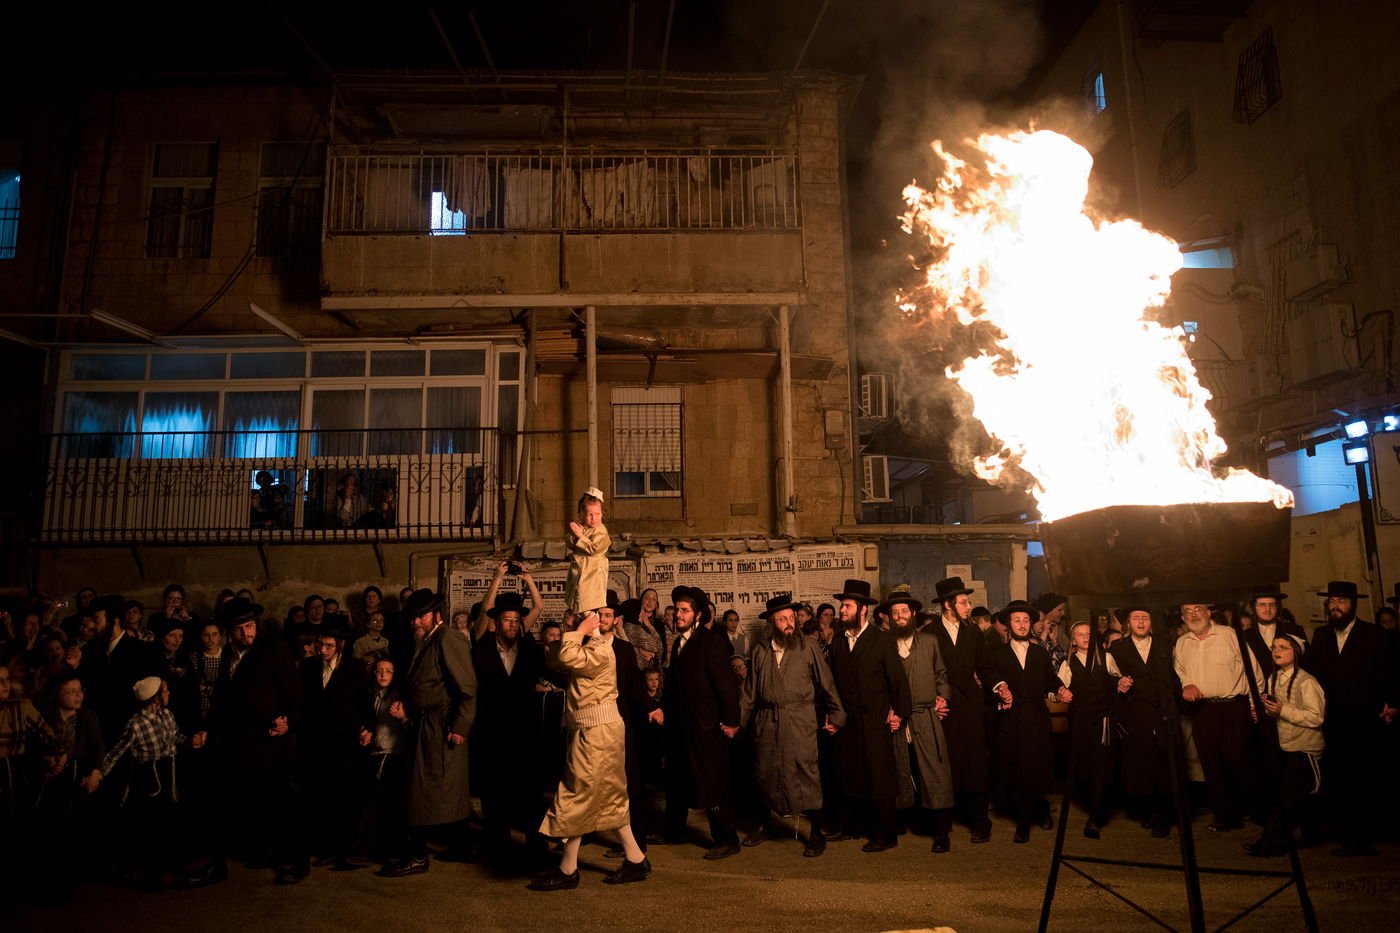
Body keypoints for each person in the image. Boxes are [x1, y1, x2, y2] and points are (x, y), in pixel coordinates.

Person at [530, 609, 651, 890]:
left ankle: (568, 869)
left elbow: (565, 657)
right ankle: (635, 859)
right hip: (593, 730)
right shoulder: (588, 645)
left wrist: (579, 629)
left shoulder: (600, 649)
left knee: (577, 792)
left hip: (597, 732)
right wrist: (571, 627)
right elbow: (553, 660)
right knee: (606, 795)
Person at [187, 597, 302, 888]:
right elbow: (222, 700)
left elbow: (295, 694)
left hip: (269, 742)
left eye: (249, 627)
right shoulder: (227, 654)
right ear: (229, 631)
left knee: (279, 802)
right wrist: (206, 730)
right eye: (238, 629)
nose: (245, 634)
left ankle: (295, 862)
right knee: (241, 801)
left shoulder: (274, 649)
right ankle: (239, 858)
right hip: (236, 743)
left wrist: (287, 720)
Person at [379, 589, 477, 878]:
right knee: (439, 791)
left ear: (436, 614)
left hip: (442, 725)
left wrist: (460, 726)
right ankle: (465, 845)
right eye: (413, 618)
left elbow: (468, 688)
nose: (415, 623)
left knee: (423, 791)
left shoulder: (448, 638)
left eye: (420, 617)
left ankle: (417, 855)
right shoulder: (426, 640)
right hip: (425, 723)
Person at [738, 594, 845, 858]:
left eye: (791, 618)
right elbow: (749, 692)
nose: (789, 623)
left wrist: (837, 715)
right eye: (782, 619)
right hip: (767, 721)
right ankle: (765, 826)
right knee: (765, 772)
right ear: (772, 623)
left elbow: (827, 684)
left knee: (806, 772)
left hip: (800, 719)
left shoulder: (807, 646)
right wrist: (736, 724)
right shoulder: (761, 649)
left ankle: (816, 834)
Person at [1302, 581, 1399, 857]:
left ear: (1353, 604)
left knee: (1367, 778)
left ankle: (1368, 836)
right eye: (1332, 601)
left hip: (1367, 718)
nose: (1336, 606)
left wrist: (1394, 704)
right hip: (1333, 720)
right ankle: (1348, 835)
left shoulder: (1374, 634)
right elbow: (1311, 674)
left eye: (1342, 601)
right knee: (1340, 779)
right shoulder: (1321, 635)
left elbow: (1391, 672)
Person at [828, 580, 913, 852]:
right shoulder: (839, 641)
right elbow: (831, 682)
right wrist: (831, 715)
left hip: (875, 720)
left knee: (880, 776)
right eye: (842, 606)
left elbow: (899, 682)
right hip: (847, 721)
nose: (842, 610)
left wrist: (899, 713)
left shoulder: (882, 641)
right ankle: (851, 826)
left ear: (862, 609)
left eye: (847, 606)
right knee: (848, 773)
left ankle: (887, 833)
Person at [660, 584, 742, 859]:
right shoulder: (678, 644)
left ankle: (727, 838)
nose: (678, 615)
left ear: (697, 615)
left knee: (713, 782)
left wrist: (731, 722)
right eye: (676, 610)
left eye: (684, 611)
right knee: (677, 779)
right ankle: (672, 830)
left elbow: (727, 687)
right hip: (681, 727)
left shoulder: (711, 641)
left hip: (707, 728)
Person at [100, 676, 201, 891]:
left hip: (170, 776)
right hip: (149, 779)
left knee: (170, 822)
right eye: (164, 691)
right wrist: (98, 774)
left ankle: (170, 864)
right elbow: (116, 753)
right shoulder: (136, 725)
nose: (168, 693)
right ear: (155, 697)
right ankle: (152, 875)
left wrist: (188, 740)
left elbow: (174, 738)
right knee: (151, 826)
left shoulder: (167, 715)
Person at [471, 589, 548, 867]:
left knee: (530, 793)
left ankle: (537, 848)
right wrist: (498, 578)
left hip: (525, 734)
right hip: (492, 734)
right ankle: (498, 847)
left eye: (517, 620)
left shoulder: (531, 649)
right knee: (494, 794)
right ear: (496, 622)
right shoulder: (482, 649)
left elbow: (549, 673)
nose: (513, 624)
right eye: (507, 619)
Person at [1173, 600, 1262, 833]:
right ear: (1183, 618)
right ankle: (1225, 815)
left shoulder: (1228, 635)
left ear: (1208, 613)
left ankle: (1260, 810)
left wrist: (1255, 704)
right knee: (1211, 764)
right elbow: (1179, 669)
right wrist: (1188, 684)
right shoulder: (1182, 643)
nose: (1193, 615)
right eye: (1187, 612)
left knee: (1240, 760)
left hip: (1234, 706)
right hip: (1204, 710)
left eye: (1198, 610)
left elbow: (1252, 670)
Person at [990, 601, 1072, 844]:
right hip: (1010, 719)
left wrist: (1061, 689)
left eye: (1026, 620)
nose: (1022, 624)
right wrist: (1000, 689)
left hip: (1036, 718)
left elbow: (1049, 677)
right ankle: (1029, 813)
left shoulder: (1039, 652)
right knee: (1015, 768)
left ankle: (1029, 819)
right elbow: (989, 677)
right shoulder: (998, 654)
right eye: (1017, 620)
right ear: (1009, 625)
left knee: (1035, 767)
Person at [881, 586, 955, 853]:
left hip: (926, 715)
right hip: (898, 719)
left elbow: (942, 676)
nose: (900, 616)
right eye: (894, 613)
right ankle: (900, 822)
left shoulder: (929, 642)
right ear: (888, 617)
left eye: (904, 611)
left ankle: (941, 831)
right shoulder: (884, 644)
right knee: (901, 768)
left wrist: (942, 698)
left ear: (913, 614)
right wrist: (888, 710)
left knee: (935, 771)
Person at [927, 576, 995, 844]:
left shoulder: (973, 632)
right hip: (943, 706)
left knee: (976, 762)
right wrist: (934, 698)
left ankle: (980, 822)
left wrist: (999, 686)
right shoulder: (929, 633)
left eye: (968, 602)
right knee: (944, 764)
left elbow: (985, 665)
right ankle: (942, 828)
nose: (968, 607)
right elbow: (923, 672)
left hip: (970, 704)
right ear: (948, 605)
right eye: (964, 602)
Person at [297, 621, 370, 871]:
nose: (324, 649)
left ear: (339, 646)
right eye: (320, 644)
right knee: (319, 795)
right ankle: (324, 848)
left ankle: (345, 848)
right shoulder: (307, 667)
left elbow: (364, 702)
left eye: (329, 645)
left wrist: (366, 728)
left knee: (343, 795)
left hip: (344, 742)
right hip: (316, 741)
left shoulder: (355, 667)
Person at [1247, 634, 1324, 857]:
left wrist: (1282, 711)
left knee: (1289, 797)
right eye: (1274, 647)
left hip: (1305, 748)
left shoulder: (1307, 682)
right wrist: (1262, 710)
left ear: (1296, 653)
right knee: (1295, 797)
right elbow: (1276, 710)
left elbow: (1316, 717)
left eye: (1283, 647)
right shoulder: (1275, 677)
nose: (1276, 651)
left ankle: (1270, 840)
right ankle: (1303, 833)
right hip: (1286, 746)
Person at [1107, 606, 1176, 837]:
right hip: (1133, 714)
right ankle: (1145, 810)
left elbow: (1172, 678)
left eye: (1145, 618)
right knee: (1139, 764)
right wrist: (1118, 685)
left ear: (1151, 623)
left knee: (1163, 764)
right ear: (1128, 623)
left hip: (1160, 713)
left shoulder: (1164, 645)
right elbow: (1109, 678)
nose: (1140, 622)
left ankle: (1163, 815)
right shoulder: (1117, 648)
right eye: (1135, 618)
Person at [1059, 620, 1118, 838]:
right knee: (1084, 767)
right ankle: (1094, 804)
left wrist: (1121, 684)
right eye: (1080, 634)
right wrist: (1060, 693)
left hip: (1103, 720)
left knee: (1100, 766)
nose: (1085, 637)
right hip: (1080, 721)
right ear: (1073, 640)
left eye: (1088, 634)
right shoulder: (1068, 663)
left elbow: (1117, 682)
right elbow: (1056, 689)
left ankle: (1095, 817)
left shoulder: (1106, 658)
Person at [362, 658, 412, 863]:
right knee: (376, 805)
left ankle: (392, 850)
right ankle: (376, 849)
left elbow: (410, 728)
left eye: (388, 671)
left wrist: (402, 717)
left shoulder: (398, 698)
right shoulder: (372, 696)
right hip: (375, 755)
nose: (383, 675)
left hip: (393, 757)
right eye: (379, 671)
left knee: (391, 806)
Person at [1241, 585, 1308, 677]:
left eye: (1272, 605)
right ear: (1253, 608)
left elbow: (1308, 663)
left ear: (1278, 607)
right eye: (1262, 605)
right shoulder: (1245, 636)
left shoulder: (1294, 630)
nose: (1268, 609)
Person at [564, 487, 610, 617]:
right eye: (590, 514)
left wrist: (580, 536)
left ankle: (595, 634)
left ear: (602, 514)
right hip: (580, 571)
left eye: (597, 514)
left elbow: (594, 549)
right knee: (577, 606)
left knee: (587, 606)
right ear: (582, 514)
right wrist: (574, 535)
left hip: (593, 573)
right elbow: (570, 545)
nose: (594, 518)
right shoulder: (582, 527)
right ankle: (590, 633)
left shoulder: (601, 531)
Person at [622, 596, 665, 670]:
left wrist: (653, 654)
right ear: (635, 611)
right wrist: (649, 626)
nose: (643, 612)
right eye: (641, 609)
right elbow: (659, 648)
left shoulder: (633, 626)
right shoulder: (633, 628)